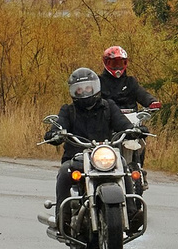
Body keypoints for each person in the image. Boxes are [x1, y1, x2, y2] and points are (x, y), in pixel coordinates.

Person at [41, 66, 136, 223]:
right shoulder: (68, 111)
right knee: (65, 172)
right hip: (76, 157)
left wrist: (134, 130)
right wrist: (55, 134)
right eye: (79, 89)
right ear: (74, 92)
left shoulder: (109, 106)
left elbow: (122, 124)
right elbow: (59, 125)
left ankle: (131, 213)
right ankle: (62, 217)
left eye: (87, 88)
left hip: (104, 156)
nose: (84, 92)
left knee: (123, 165)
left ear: (95, 87)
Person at [97, 45, 159, 116]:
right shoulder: (99, 82)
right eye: (114, 64)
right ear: (106, 63)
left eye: (120, 63)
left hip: (132, 120)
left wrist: (152, 102)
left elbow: (142, 94)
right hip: (108, 120)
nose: (117, 67)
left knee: (143, 128)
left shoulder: (130, 82)